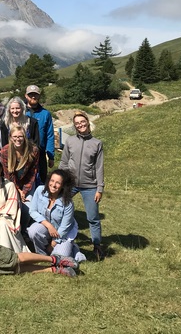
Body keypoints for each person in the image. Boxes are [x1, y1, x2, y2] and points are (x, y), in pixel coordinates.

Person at [58, 111, 105, 260]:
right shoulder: (70, 141)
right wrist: (60, 181)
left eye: (82, 121)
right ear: (75, 126)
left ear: (87, 122)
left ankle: (97, 246)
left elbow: (99, 167)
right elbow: (64, 162)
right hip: (70, 183)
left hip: (90, 185)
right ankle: (59, 240)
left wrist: (100, 188)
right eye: (77, 123)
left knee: (93, 217)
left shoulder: (97, 143)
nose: (80, 125)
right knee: (59, 210)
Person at [28, 169, 85, 262]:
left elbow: (65, 227)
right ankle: (42, 255)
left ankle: (73, 250)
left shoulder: (68, 203)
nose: (54, 185)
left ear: (63, 186)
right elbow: (32, 211)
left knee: (60, 257)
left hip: (63, 234)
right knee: (33, 231)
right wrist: (48, 225)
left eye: (58, 183)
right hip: (46, 227)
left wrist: (53, 244)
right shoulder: (40, 190)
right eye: (52, 181)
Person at [1, 125, 40, 204]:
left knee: (27, 207)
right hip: (12, 183)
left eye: (20, 136)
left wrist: (24, 191)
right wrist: (18, 190)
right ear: (10, 138)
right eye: (15, 136)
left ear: (25, 137)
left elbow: (32, 173)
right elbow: (8, 175)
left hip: (27, 182)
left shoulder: (33, 151)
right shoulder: (5, 151)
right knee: (14, 203)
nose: (17, 139)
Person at [25, 85, 55, 186]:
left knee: (41, 181)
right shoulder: (21, 112)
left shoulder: (45, 114)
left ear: (39, 96)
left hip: (40, 154)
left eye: (35, 95)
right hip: (24, 153)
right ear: (26, 96)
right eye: (30, 95)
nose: (33, 97)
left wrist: (51, 156)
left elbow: (50, 135)